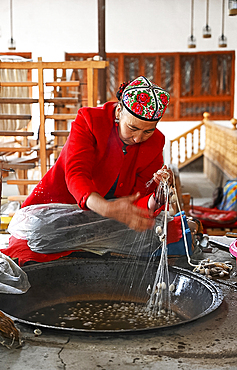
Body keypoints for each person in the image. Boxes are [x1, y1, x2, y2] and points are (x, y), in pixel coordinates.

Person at [2, 76, 173, 265]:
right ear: (118, 112)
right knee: (38, 231)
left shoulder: (156, 142)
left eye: (148, 131)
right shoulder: (90, 121)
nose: (138, 138)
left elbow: (137, 197)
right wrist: (106, 208)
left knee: (158, 234)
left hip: (107, 219)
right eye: (132, 128)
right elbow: (76, 174)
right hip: (64, 209)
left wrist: (156, 197)